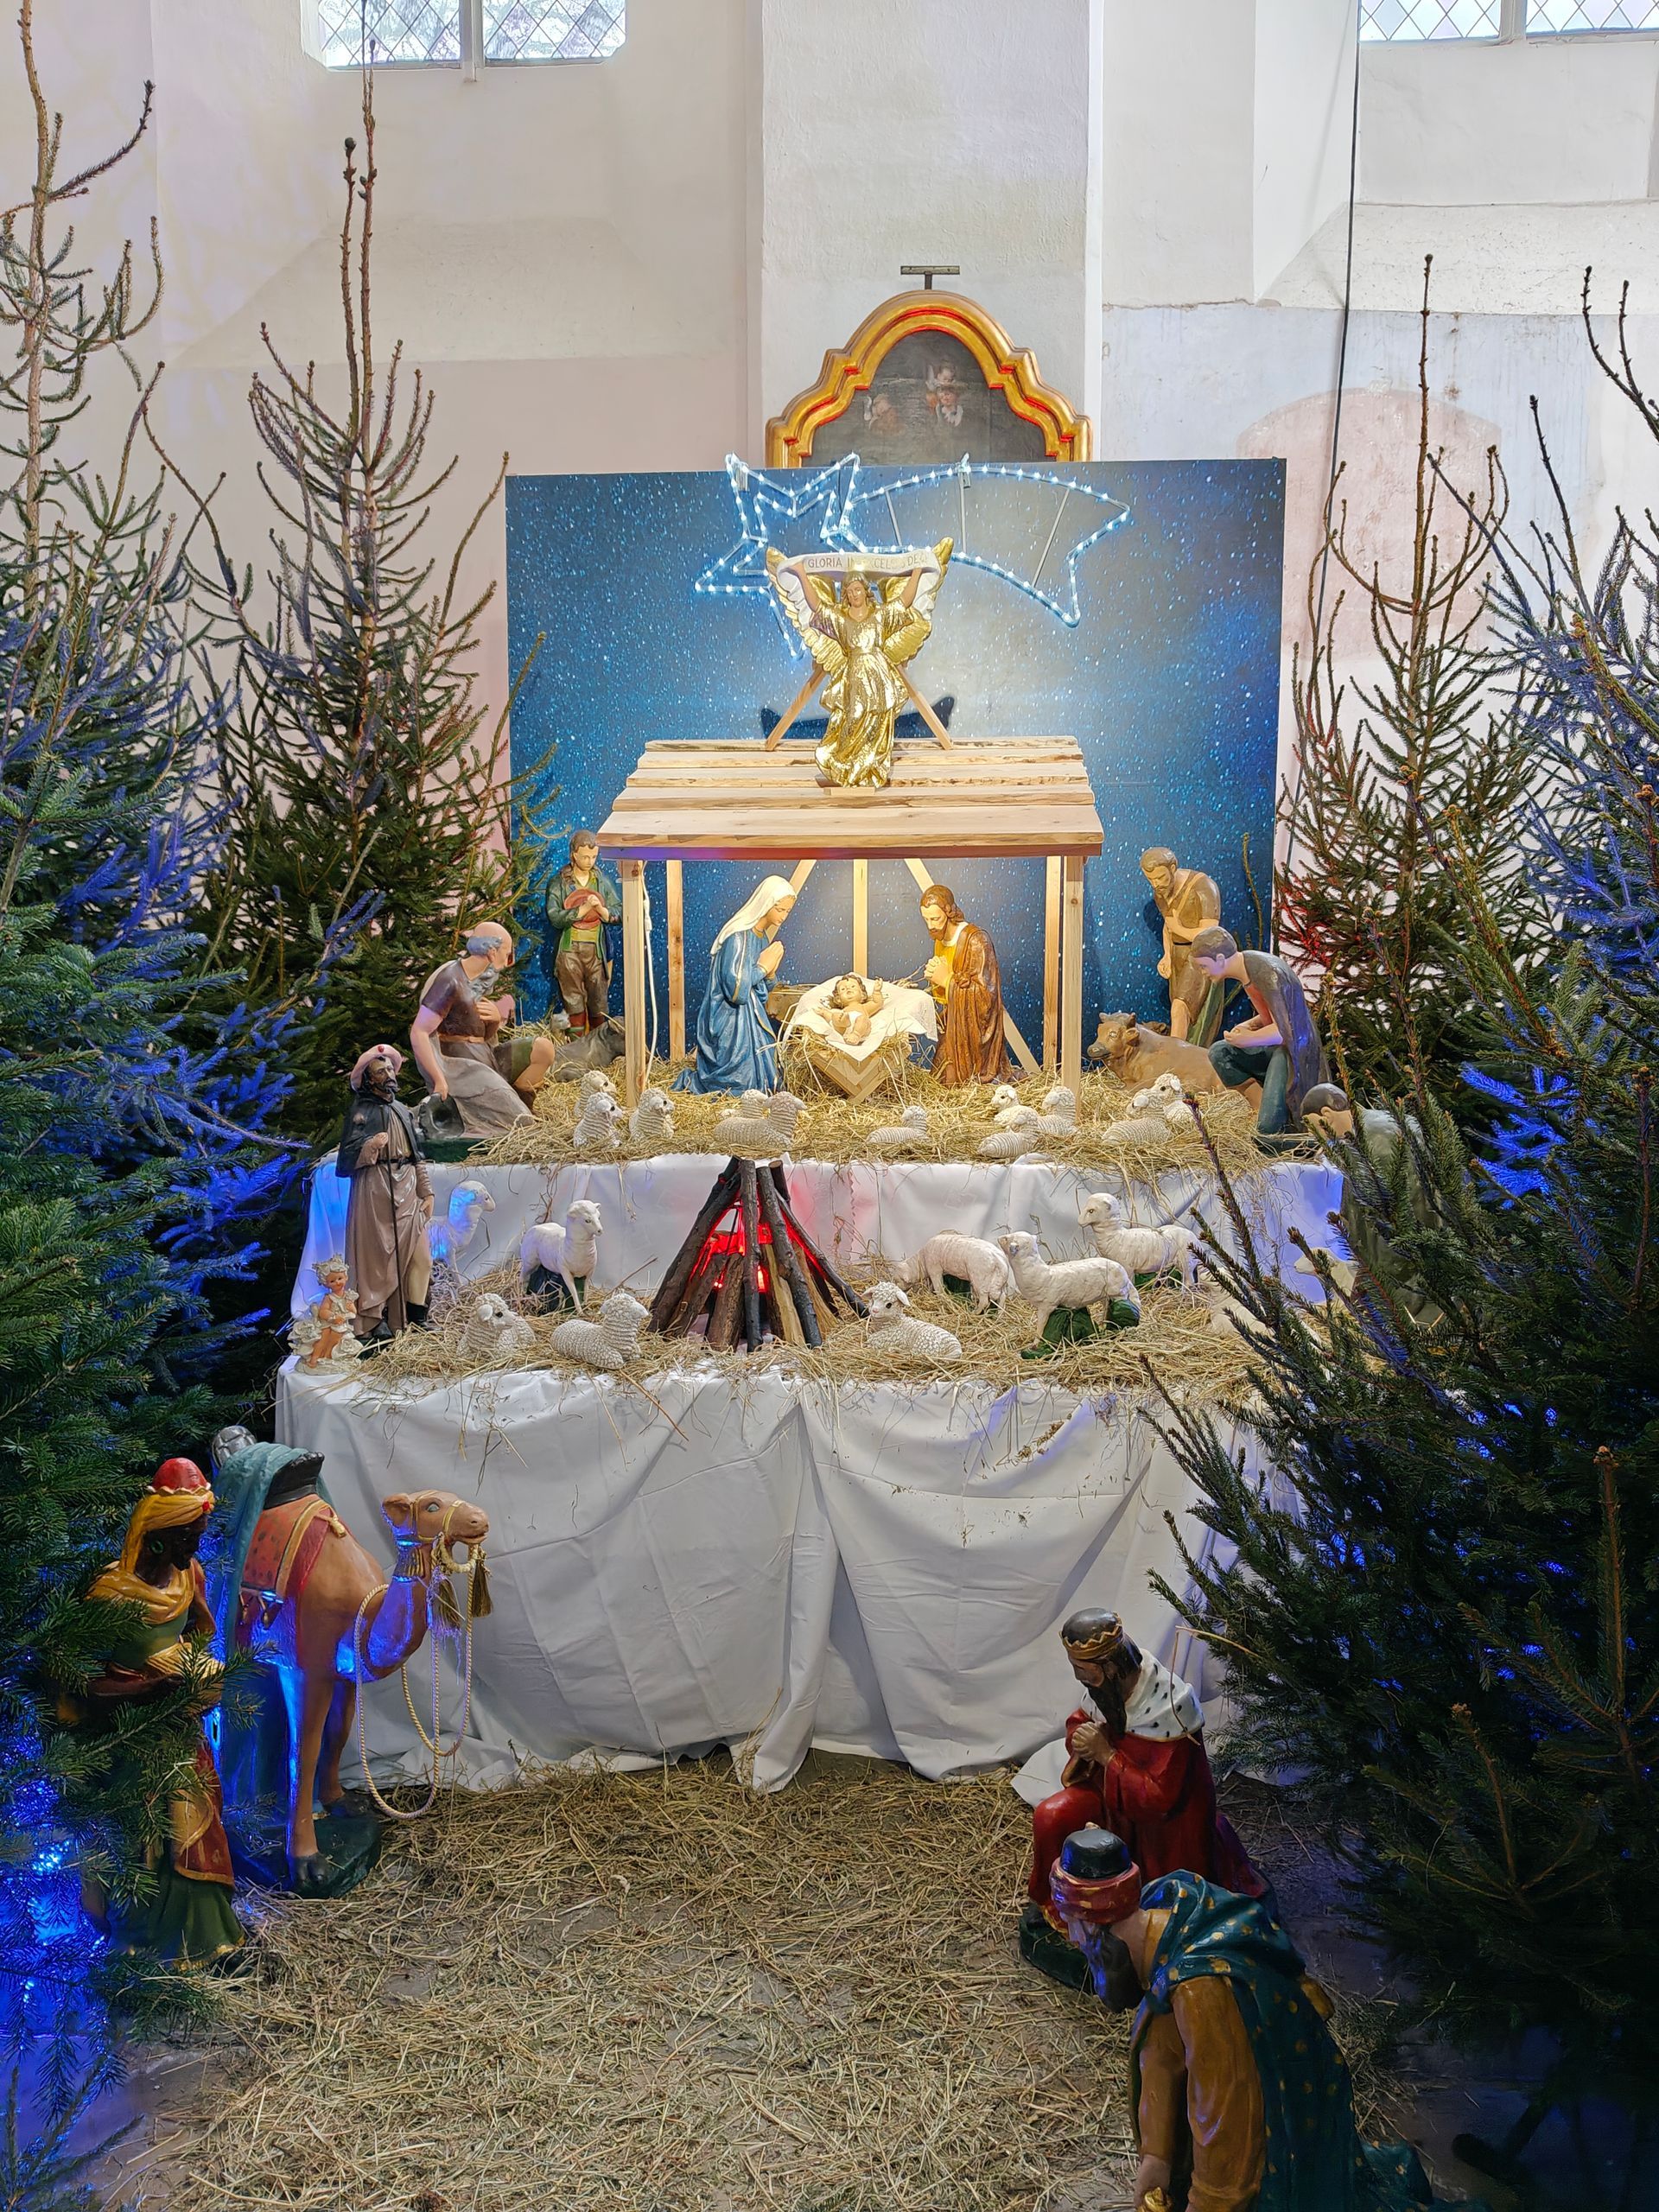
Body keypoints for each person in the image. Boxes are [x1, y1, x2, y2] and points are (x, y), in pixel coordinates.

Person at [1050, 1827, 1474, 2212]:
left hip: (1278, 2139)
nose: (1074, 1941)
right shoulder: (1167, 1915)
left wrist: (1207, 2205)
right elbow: (1162, 2051)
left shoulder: (1201, 1991)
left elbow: (1227, 2126)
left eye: (1072, 1927)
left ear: (1090, 1926)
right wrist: (1156, 2158)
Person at [1022, 1610, 1264, 1989]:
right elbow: (1081, 1722)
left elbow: (1160, 1799)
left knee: (1165, 1901)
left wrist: (1107, 1755)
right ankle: (1061, 1910)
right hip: (1110, 1798)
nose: (1079, 1678)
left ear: (1110, 1666)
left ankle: (1141, 1936)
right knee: (1051, 1816)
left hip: (1164, 1829)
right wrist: (1081, 1740)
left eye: (1084, 1670)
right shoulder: (1104, 1693)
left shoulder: (1171, 1708)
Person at [64, 1459, 244, 1965]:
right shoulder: (109, 1596)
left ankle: (210, 1939)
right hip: (129, 1743)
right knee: (141, 1842)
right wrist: (150, 1689)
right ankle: (140, 1947)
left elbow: (197, 1635)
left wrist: (197, 1672)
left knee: (197, 1825)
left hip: (180, 1731)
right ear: (158, 1537)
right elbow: (81, 1685)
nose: (195, 1549)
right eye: (188, 1538)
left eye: (199, 1537)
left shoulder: (190, 1577)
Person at [766, 543, 951, 790]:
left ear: (866, 591)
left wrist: (917, 572)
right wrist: (800, 573)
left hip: (878, 677)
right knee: (853, 719)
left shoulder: (880, 617)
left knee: (878, 721)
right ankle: (845, 766)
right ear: (846, 595)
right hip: (854, 679)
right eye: (850, 591)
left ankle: (869, 768)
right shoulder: (841, 621)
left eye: (858, 589)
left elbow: (904, 602)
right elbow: (818, 607)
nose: (854, 594)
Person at [1302, 1084, 1443, 1329]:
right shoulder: (1371, 1130)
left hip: (1408, 1266)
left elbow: (1392, 1212)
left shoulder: (1376, 1140)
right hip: (1417, 1253)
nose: (1316, 1137)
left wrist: (1381, 1272)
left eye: (1313, 1127)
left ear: (1326, 1115)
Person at [410, 922, 556, 1135]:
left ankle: (521, 1102)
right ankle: (516, 1113)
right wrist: (438, 1079)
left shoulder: (479, 979)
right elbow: (419, 1032)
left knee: (543, 1049)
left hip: (487, 1056)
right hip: (463, 1067)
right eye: (507, 954)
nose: (507, 962)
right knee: (521, 1122)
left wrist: (495, 1021)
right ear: (492, 951)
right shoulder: (450, 980)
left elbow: (479, 1033)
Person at [336, 1045, 434, 1343]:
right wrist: (370, 1147)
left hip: (406, 1186)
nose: (389, 1074)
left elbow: (416, 1155)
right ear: (368, 1079)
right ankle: (375, 1318)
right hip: (375, 1188)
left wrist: (426, 1191)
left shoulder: (402, 1110)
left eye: (391, 1069)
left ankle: (417, 1317)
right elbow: (345, 1160)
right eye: (381, 1071)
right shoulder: (361, 1112)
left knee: (422, 1257)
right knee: (377, 1260)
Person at [1192, 927, 1327, 1141]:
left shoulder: (1267, 974)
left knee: (1267, 1134)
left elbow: (1285, 1031)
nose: (1203, 972)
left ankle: (1281, 1129)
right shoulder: (1247, 971)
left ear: (1220, 959)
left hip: (1292, 1054)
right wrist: (1247, 1027)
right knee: (1220, 1052)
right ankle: (1257, 1106)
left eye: (1203, 966)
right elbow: (1270, 1017)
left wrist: (1248, 1039)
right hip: (1277, 1047)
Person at [674, 876, 796, 1095]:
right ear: (766, 903)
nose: (784, 916)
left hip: (751, 1018)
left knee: (765, 1074)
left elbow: (761, 989)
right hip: (730, 1019)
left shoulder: (761, 939)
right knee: (740, 1081)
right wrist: (763, 967)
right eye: (780, 910)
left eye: (788, 911)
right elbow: (736, 992)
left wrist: (770, 973)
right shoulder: (738, 938)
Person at [921, 881, 1010, 1085]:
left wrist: (946, 980)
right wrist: (937, 980)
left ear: (949, 913)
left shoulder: (976, 941)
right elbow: (946, 995)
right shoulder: (939, 940)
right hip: (954, 1027)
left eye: (935, 919)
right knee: (943, 1081)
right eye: (926, 919)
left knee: (960, 1081)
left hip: (974, 1035)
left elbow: (986, 997)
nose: (930, 926)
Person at [1140, 848, 1224, 1043]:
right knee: (1177, 1009)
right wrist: (1167, 956)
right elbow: (1168, 926)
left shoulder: (1204, 887)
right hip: (1178, 954)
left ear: (1173, 868)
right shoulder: (1161, 892)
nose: (1156, 884)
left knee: (1181, 1007)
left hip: (1201, 956)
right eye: (1150, 880)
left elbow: (1210, 934)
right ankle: (1182, 1051)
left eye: (1160, 878)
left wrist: (1179, 929)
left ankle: (1175, 1057)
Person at [546, 830, 621, 1039]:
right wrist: (581, 910)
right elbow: (554, 916)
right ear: (574, 855)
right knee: (574, 1001)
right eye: (585, 857)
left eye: (594, 857)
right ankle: (576, 1047)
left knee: (598, 1001)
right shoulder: (559, 883)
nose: (590, 861)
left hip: (595, 952)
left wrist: (603, 912)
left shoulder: (601, 882)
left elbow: (619, 910)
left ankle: (598, 1046)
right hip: (570, 951)